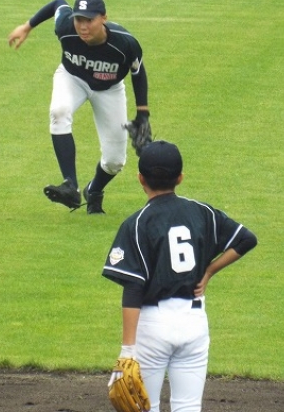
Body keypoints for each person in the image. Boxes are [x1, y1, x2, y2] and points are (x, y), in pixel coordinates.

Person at [102, 140, 258, 412]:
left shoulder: (137, 223)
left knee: (143, 408)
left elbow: (133, 289)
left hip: (153, 327)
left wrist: (128, 349)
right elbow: (246, 239)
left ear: (141, 179)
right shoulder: (203, 212)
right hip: (193, 324)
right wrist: (209, 270)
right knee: (188, 407)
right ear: (180, 178)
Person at [7, 0, 151, 214]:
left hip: (109, 89)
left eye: (89, 20)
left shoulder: (125, 43)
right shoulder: (66, 27)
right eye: (79, 19)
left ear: (103, 18)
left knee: (114, 161)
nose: (83, 26)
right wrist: (27, 27)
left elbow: (138, 72)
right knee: (59, 111)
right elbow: (58, 3)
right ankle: (70, 185)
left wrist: (143, 113)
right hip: (72, 78)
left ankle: (94, 190)